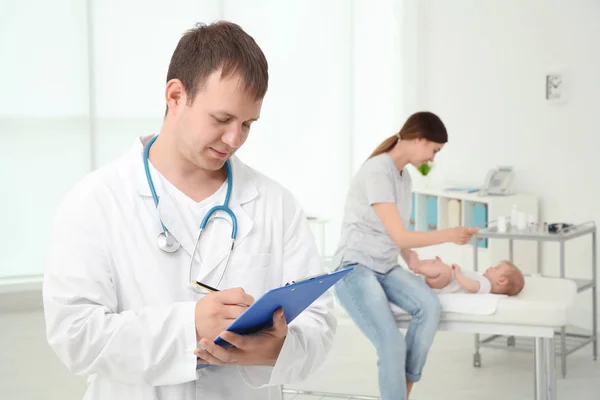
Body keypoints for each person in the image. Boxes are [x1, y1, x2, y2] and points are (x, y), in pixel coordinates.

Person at [42, 21, 336, 400]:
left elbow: (319, 323)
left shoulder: (276, 204)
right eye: (222, 119)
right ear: (176, 95)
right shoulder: (95, 202)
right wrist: (189, 325)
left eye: (247, 124)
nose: (234, 139)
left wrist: (278, 349)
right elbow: (75, 335)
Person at [332, 111, 479, 400]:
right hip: (354, 268)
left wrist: (412, 260)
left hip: (385, 266)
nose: (433, 159)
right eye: (434, 150)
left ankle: (404, 388)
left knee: (429, 308)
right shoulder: (377, 171)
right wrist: (450, 234)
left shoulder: (404, 178)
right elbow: (400, 235)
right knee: (391, 343)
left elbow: (397, 232)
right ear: (420, 139)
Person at [407, 253, 525, 296]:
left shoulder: (486, 285)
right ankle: (419, 265)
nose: (491, 267)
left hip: (444, 284)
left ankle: (417, 267)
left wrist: (457, 274)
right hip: (443, 281)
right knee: (439, 265)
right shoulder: (483, 279)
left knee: (445, 270)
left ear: (501, 281)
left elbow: (470, 286)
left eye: (496, 268)